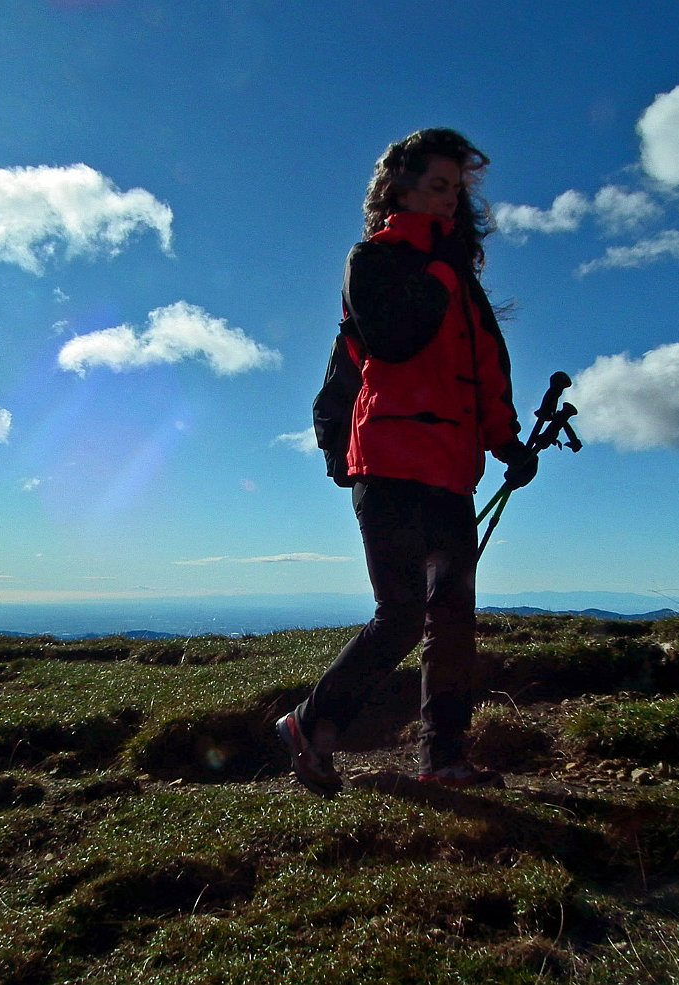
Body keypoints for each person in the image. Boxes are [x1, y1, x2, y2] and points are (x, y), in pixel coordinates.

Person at [276, 128, 538, 796]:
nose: (449, 202)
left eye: (455, 190)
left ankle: (443, 757)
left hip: (452, 469)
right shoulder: (373, 261)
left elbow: (485, 373)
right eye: (437, 187)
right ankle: (312, 723)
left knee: (451, 619)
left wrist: (507, 442)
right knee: (399, 611)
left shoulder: (456, 281)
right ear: (400, 187)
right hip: (389, 460)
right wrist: (443, 272)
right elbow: (390, 342)